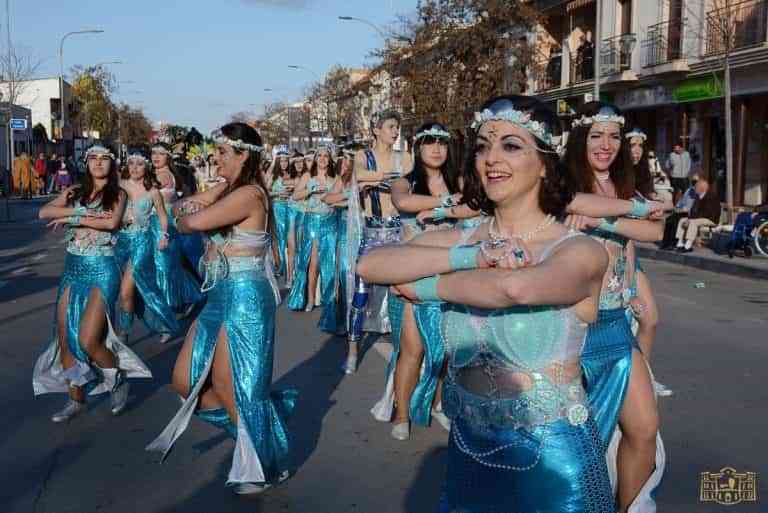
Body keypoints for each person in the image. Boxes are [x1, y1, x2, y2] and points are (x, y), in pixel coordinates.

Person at [357, 95, 614, 512]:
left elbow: (517, 290)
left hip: (551, 465)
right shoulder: (466, 240)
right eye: (482, 146)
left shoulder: (578, 249)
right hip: (468, 451)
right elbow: (372, 264)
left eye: (511, 146)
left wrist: (426, 287)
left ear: (545, 161)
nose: (491, 158)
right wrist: (469, 258)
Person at [147, 123, 296, 495]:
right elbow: (182, 207)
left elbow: (188, 220)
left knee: (236, 388)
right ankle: (264, 434)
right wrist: (208, 194)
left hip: (245, 295)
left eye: (224, 152)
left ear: (244, 155)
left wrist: (189, 214)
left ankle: (259, 458)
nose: (216, 157)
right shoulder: (229, 190)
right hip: (218, 296)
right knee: (184, 381)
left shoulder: (249, 194)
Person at [564, 102, 665, 512]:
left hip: (616, 325)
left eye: (614, 137)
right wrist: (630, 211)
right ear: (579, 140)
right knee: (578, 442)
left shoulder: (625, 189)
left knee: (643, 430)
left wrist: (608, 220)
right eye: (596, 136)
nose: (606, 145)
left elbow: (655, 229)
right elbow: (575, 204)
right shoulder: (559, 182)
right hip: (573, 327)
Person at [371, 122, 479, 440]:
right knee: (412, 349)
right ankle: (402, 415)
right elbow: (404, 204)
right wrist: (447, 205)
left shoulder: (459, 182)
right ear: (417, 147)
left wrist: (452, 208)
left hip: (451, 276)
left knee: (445, 350)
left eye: (442, 143)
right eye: (429, 142)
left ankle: (438, 404)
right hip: (411, 277)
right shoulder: (404, 182)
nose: (436, 149)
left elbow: (474, 207)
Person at [33, 144, 152, 422]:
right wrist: (78, 214)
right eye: (93, 158)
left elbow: (111, 223)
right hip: (73, 269)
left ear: (112, 164)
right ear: (86, 162)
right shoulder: (75, 191)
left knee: (88, 340)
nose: (98, 163)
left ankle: (117, 378)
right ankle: (76, 398)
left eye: (104, 159)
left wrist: (70, 216)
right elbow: (43, 213)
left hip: (102, 270)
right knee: (64, 339)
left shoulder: (118, 193)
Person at [347, 109, 413, 372]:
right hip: (372, 233)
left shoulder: (404, 157)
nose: (395, 132)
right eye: (390, 126)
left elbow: (407, 181)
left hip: (398, 232)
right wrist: (385, 179)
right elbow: (358, 175)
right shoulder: (364, 156)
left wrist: (374, 183)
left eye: (397, 127)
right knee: (361, 293)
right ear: (376, 129)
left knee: (402, 291)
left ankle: (403, 350)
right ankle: (352, 350)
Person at [114, 152, 179, 344]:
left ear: (146, 167)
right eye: (131, 163)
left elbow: (162, 216)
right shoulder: (120, 185)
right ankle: (159, 324)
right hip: (119, 241)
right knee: (122, 289)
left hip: (141, 241)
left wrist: (164, 236)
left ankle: (124, 332)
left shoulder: (153, 192)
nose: (134, 167)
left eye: (139, 164)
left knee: (127, 290)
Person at [150, 143, 203, 312]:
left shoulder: (163, 175)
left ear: (168, 158)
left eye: (161, 154)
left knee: (164, 266)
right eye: (153, 153)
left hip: (163, 226)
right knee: (170, 265)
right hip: (158, 223)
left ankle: (174, 303)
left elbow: (143, 189)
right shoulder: (160, 173)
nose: (156, 157)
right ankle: (189, 296)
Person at [287, 143, 338, 312]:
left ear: (330, 160)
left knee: (329, 263)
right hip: (313, 222)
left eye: (326, 156)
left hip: (330, 222)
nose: (323, 159)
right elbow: (295, 195)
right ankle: (309, 299)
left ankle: (328, 300)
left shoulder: (335, 178)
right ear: (315, 159)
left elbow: (340, 199)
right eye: (320, 156)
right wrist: (310, 191)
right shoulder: (308, 176)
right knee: (313, 262)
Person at [319, 149, 356, 337]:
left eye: (353, 160)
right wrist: (348, 197)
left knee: (361, 278)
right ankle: (344, 319)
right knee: (344, 276)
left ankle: (361, 320)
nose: (349, 163)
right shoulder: (344, 179)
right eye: (347, 159)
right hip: (344, 233)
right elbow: (326, 198)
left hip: (364, 232)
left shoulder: (371, 178)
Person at [674, 178, 721, 252]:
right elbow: (693, 210)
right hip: (699, 218)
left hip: (711, 219)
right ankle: (680, 243)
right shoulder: (698, 196)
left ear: (702, 188)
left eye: (696, 187)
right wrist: (688, 219)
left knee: (693, 222)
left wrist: (691, 220)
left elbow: (707, 213)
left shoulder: (712, 196)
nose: (694, 188)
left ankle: (688, 246)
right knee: (682, 220)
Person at [268, 146, 292, 276]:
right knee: (280, 238)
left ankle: (288, 268)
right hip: (278, 208)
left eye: (286, 161)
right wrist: (278, 193)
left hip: (290, 208)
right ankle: (280, 266)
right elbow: (265, 191)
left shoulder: (291, 174)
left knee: (291, 238)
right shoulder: (273, 174)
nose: (284, 163)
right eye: (281, 161)